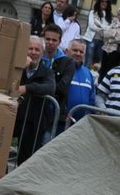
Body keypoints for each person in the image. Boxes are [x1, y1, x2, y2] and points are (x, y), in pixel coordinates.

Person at [14, 35, 56, 163]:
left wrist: (27, 88)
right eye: (30, 48)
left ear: (42, 53)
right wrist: (21, 67)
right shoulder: (17, 68)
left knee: (26, 160)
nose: (33, 52)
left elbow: (50, 88)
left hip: (34, 123)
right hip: (14, 118)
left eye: (37, 49)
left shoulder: (47, 72)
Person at [62, 39, 97, 123]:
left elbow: (92, 99)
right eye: (75, 50)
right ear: (67, 51)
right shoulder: (60, 68)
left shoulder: (88, 73)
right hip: (60, 122)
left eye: (81, 52)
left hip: (79, 125)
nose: (78, 54)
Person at [85, 0, 113, 68]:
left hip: (103, 42)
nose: (104, 3)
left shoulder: (109, 16)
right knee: (88, 61)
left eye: (106, 2)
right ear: (99, 2)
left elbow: (109, 29)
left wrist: (99, 25)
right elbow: (91, 26)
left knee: (99, 63)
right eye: (102, 1)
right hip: (92, 39)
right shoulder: (93, 12)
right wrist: (102, 28)